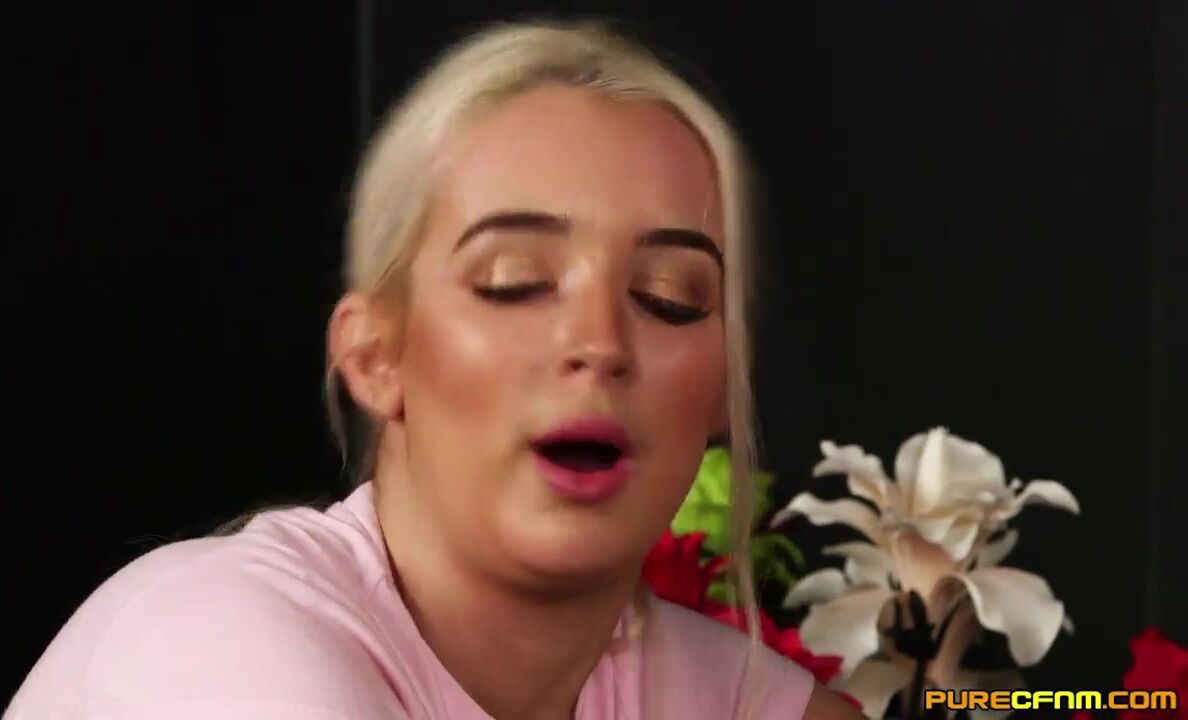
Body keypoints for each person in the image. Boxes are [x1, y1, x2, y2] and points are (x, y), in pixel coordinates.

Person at [7, 18, 864, 720]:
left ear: (719, 388)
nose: (600, 342)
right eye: (514, 282)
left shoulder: (715, 691)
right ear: (375, 357)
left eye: (669, 297)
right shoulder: (212, 646)